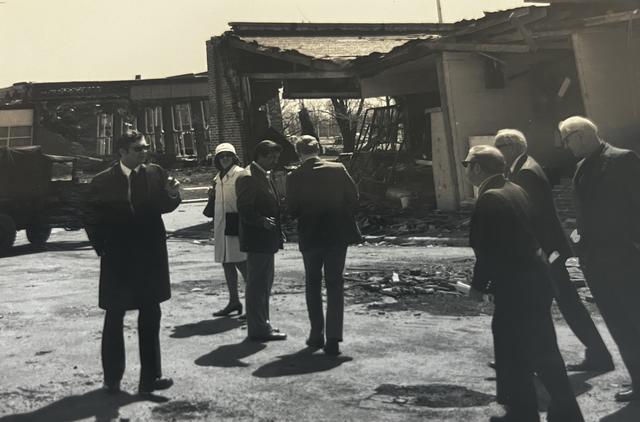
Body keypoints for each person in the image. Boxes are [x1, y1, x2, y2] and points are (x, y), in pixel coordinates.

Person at [465, 145, 584, 422]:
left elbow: (488, 249)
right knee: (529, 346)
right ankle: (538, 410)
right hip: (534, 281)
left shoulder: (490, 198)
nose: (467, 169)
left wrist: (478, 285)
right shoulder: (514, 189)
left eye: (467, 164)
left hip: (516, 285)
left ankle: (530, 411)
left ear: (477, 168)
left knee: (522, 347)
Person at [493, 129, 613, 372]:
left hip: (546, 251)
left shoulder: (525, 172)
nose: (498, 151)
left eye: (501, 146)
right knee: (556, 304)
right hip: (548, 250)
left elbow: (530, 216)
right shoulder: (521, 168)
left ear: (515, 147)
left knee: (559, 304)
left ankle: (597, 356)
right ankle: (597, 356)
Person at [85, 130, 181, 395]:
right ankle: (112, 380)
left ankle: (150, 378)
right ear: (122, 152)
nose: (144, 152)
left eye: (145, 148)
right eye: (138, 149)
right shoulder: (102, 181)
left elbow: (164, 205)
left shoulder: (155, 173)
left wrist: (172, 195)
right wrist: (103, 247)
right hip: (119, 260)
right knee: (115, 316)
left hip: (150, 257)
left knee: (151, 314)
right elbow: (91, 215)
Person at [559, 116, 640, 402]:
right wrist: (579, 243)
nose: (565, 147)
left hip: (625, 258)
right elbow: (585, 215)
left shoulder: (622, 159)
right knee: (617, 323)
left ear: (578, 135)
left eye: (566, 140)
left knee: (635, 319)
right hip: (596, 261)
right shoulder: (581, 166)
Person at [286, 135, 362, 356]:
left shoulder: (294, 177)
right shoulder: (338, 169)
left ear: (298, 152)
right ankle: (334, 339)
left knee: (312, 283)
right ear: (318, 149)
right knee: (335, 284)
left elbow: (292, 209)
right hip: (337, 234)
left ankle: (316, 334)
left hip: (310, 235)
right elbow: (354, 197)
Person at [236, 140, 287, 342]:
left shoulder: (261, 175)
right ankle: (258, 328)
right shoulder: (248, 177)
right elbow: (245, 209)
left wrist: (276, 231)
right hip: (257, 240)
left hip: (266, 238)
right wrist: (261, 221)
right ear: (260, 156)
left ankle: (262, 324)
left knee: (263, 284)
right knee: (258, 285)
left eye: (276, 157)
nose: (275, 161)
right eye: (271, 157)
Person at [209, 143, 248, 317]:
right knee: (226, 262)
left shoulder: (241, 174)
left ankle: (255, 305)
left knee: (243, 264)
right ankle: (234, 301)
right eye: (221, 156)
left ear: (234, 157)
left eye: (228, 155)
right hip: (221, 225)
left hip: (236, 223)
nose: (225, 158)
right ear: (217, 160)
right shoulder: (217, 178)